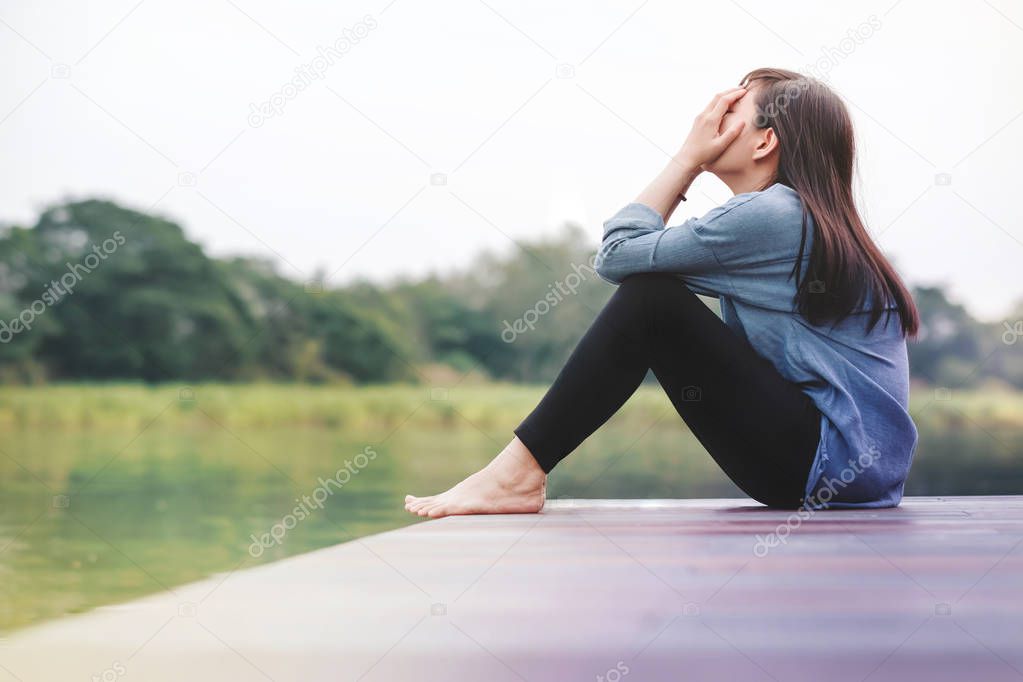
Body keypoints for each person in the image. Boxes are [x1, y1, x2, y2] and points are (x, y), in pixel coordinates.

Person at [404, 67, 919, 518]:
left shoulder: (774, 217)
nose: (709, 120)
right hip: (850, 472)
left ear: (765, 141)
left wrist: (687, 158)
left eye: (730, 110)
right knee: (653, 295)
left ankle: (517, 474)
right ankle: (516, 473)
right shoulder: (808, 218)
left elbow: (618, 254)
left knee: (650, 299)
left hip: (821, 464)